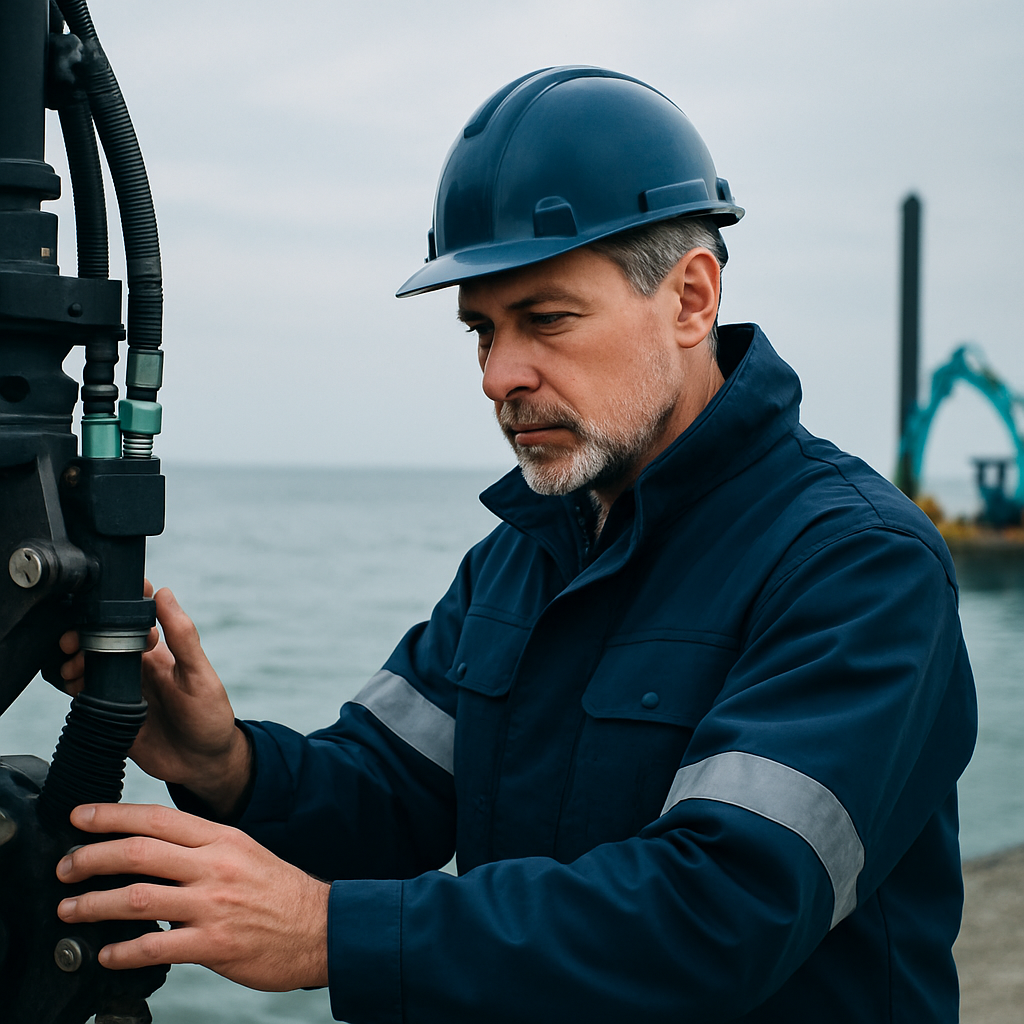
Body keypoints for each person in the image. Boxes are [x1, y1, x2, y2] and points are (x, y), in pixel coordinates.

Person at [54, 67, 977, 1023]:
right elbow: (390, 796)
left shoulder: (859, 565)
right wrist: (225, 764)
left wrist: (330, 931)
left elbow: (722, 913)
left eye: (546, 320)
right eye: (482, 331)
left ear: (691, 300)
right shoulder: (525, 555)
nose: (499, 376)